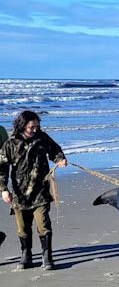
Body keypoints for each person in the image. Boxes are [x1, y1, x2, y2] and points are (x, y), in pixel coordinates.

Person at [0, 111, 67, 270]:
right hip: (20, 194)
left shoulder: (42, 138)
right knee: (23, 228)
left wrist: (60, 159)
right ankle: (26, 255)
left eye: (37, 126)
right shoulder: (10, 144)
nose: (35, 129)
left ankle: (47, 256)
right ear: (22, 125)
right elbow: (2, 168)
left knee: (43, 224)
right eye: (32, 127)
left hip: (41, 192)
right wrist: (3, 190)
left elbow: (55, 150)